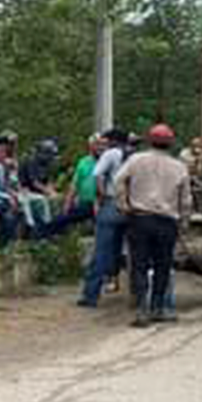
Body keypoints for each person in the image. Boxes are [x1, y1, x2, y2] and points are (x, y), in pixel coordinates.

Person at [114, 124, 191, 328]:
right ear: (171, 143)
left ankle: (141, 310)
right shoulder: (179, 167)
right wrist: (183, 224)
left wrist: (124, 206)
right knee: (162, 266)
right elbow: (186, 201)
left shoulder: (136, 160)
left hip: (140, 219)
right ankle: (158, 308)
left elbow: (118, 181)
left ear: (149, 140)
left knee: (138, 265)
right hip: (167, 222)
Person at [78, 128, 130, 308]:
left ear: (114, 140)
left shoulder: (110, 154)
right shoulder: (135, 155)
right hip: (132, 207)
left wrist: (101, 195)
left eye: (107, 140)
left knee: (101, 251)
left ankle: (90, 295)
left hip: (112, 204)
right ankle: (139, 295)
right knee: (135, 253)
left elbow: (97, 174)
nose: (105, 143)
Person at [43, 135, 100, 238]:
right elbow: (74, 184)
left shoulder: (106, 160)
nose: (99, 147)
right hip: (86, 202)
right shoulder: (83, 162)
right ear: (90, 146)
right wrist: (68, 203)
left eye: (100, 144)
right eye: (96, 144)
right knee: (63, 218)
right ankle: (44, 236)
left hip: (102, 202)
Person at [18, 140, 59, 233]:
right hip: (25, 192)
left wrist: (52, 191)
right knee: (42, 201)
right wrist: (49, 192)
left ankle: (52, 227)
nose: (51, 157)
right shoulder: (31, 161)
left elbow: (48, 181)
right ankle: (38, 228)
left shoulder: (46, 164)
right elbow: (34, 182)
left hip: (38, 193)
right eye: (50, 154)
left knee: (54, 200)